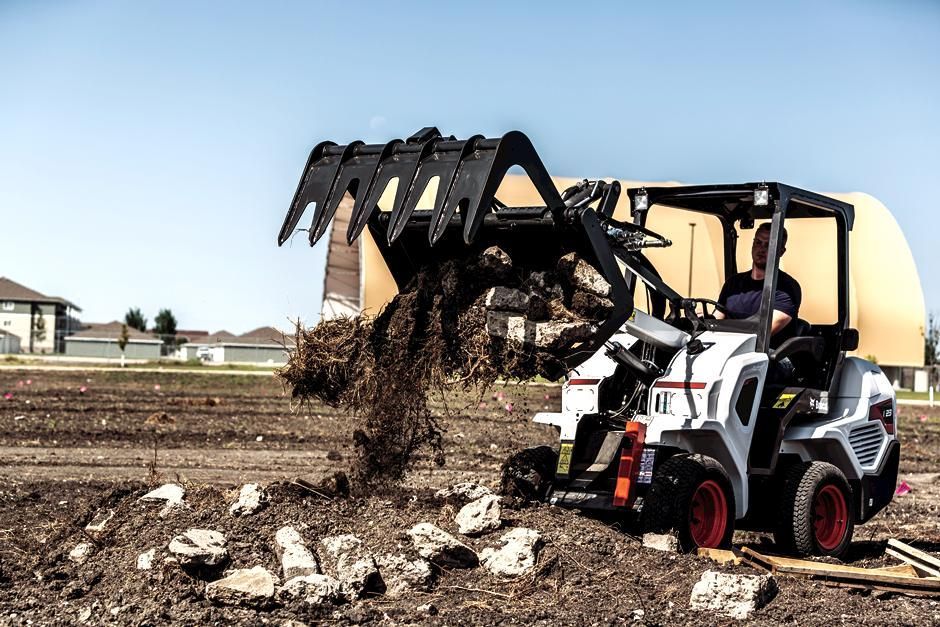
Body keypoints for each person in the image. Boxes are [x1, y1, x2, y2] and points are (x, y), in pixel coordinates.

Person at [715, 222, 801, 347]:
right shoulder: (733, 283)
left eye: (768, 245)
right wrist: (702, 321)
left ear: (781, 252)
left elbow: (763, 331)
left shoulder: (787, 288)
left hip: (770, 354)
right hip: (731, 348)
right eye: (758, 242)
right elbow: (716, 319)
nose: (761, 249)